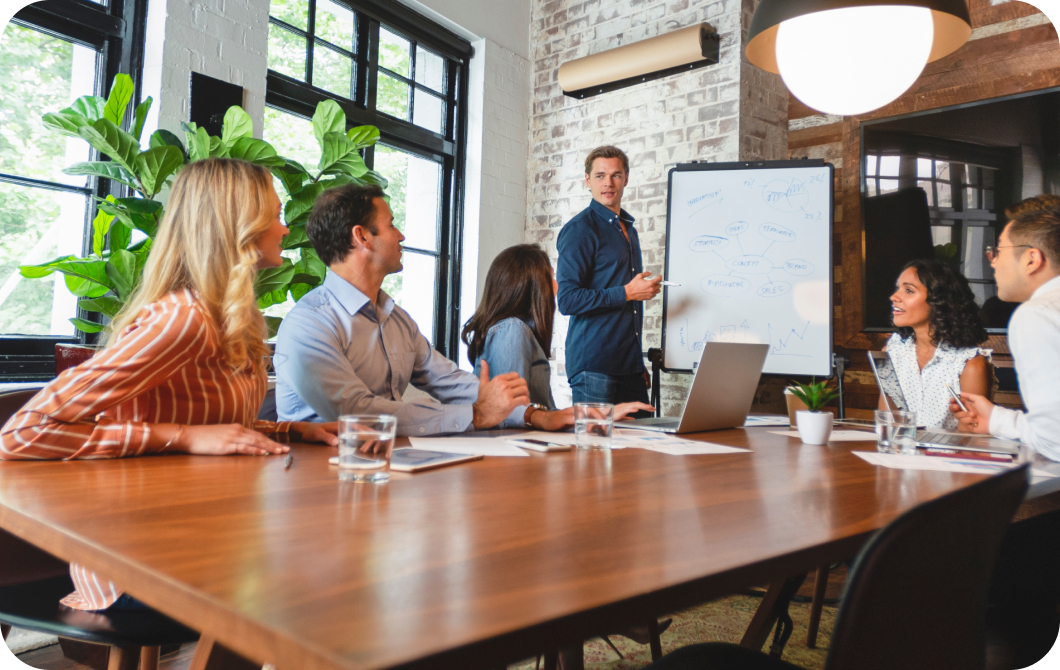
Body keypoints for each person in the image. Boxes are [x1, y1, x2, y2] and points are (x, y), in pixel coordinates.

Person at [0, 158, 339, 610]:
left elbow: (207, 428)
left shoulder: (228, 315)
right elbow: (23, 433)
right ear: (237, 227)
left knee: (328, 557)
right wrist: (181, 436)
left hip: (199, 532)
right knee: (325, 572)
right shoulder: (183, 319)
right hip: (138, 561)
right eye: (274, 216)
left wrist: (287, 430)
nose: (284, 229)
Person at [275, 184, 529, 435]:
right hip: (317, 467)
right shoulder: (309, 322)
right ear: (361, 236)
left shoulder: (396, 318)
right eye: (392, 224)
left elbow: (447, 380)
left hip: (385, 459)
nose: (401, 236)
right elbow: (356, 412)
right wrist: (476, 414)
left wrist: (531, 415)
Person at [461, 244, 654, 429]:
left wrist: (594, 416)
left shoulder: (519, 331)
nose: (556, 284)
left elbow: (541, 416)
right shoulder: (512, 329)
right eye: (551, 276)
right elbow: (512, 414)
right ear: (532, 284)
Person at [950, 195, 1060, 460]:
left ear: (1031, 259)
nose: (992, 261)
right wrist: (998, 420)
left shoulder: (1037, 315)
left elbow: (1055, 441)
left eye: (998, 251)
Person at [557, 146, 660, 410]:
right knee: (594, 449)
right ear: (587, 180)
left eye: (615, 175)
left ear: (626, 178)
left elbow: (630, 313)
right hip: (594, 366)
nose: (608, 183)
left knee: (640, 449)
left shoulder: (629, 229)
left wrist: (637, 363)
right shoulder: (579, 230)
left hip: (629, 366)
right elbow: (567, 300)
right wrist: (627, 292)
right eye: (600, 175)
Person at [878, 259, 990, 429]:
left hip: (947, 455)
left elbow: (971, 437)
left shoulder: (970, 364)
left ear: (939, 301)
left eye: (908, 290)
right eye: (897, 288)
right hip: (901, 452)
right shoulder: (892, 351)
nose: (894, 297)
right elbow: (888, 423)